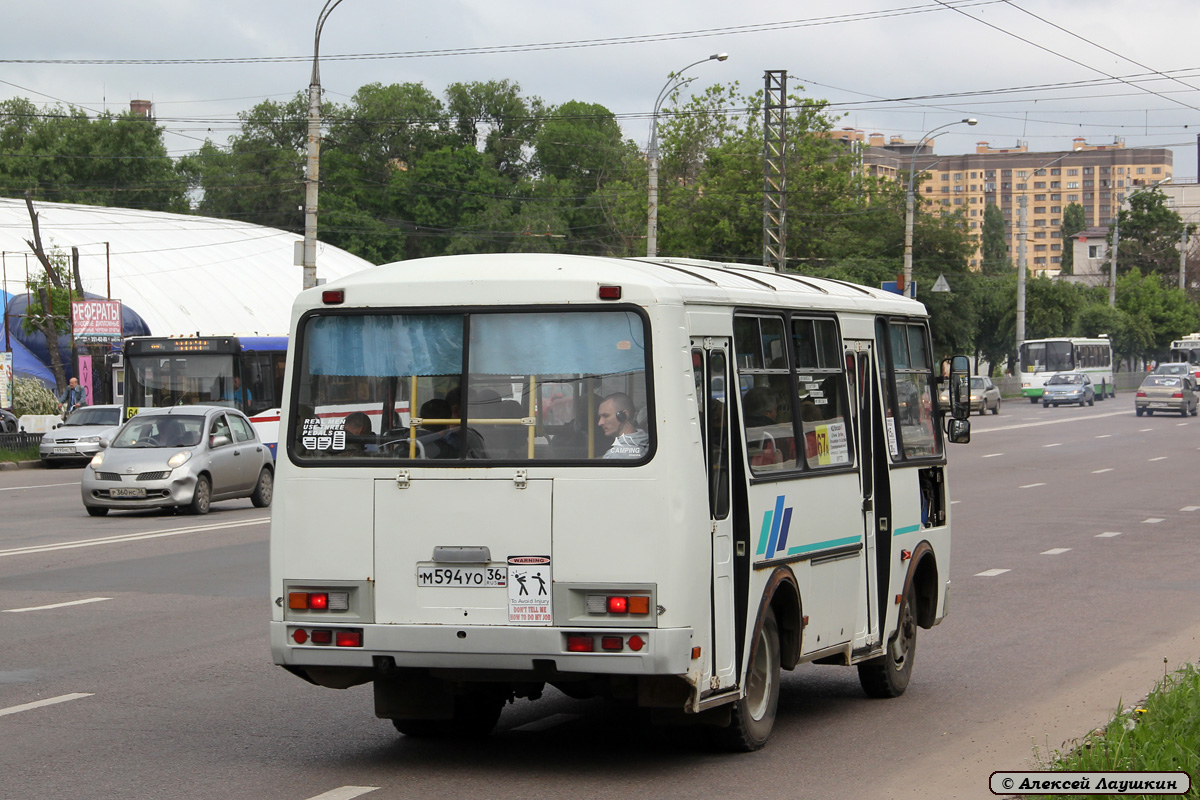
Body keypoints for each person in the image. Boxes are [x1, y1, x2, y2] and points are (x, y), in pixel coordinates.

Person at [597, 392, 649, 459]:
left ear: (624, 415)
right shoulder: (644, 441)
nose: (600, 422)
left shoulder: (616, 456)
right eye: (600, 417)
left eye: (606, 416)